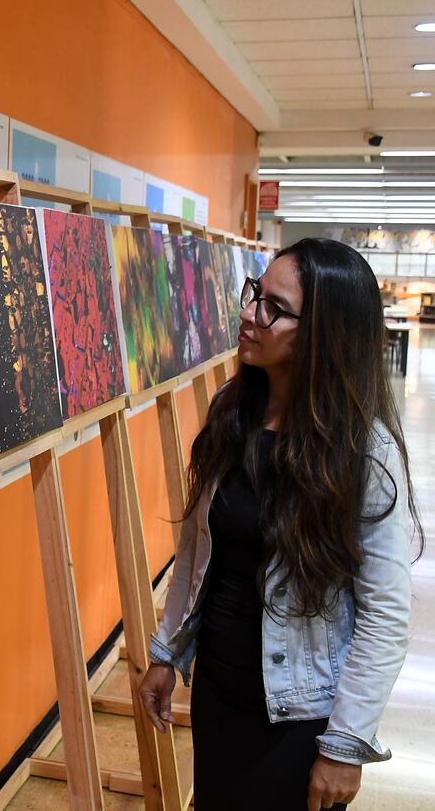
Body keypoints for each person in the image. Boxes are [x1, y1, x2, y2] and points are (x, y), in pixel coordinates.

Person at [138, 239, 421, 810]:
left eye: (274, 307)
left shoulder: (364, 451)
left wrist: (345, 745)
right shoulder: (232, 410)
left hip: (299, 718)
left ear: (324, 333)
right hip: (220, 696)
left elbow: (385, 613)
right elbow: (199, 551)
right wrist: (167, 653)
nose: (249, 315)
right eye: (254, 295)